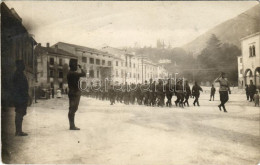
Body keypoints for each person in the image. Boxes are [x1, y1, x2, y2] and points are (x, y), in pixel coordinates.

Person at [67, 59, 86, 130]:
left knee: (72, 108)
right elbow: (84, 74)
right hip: (75, 92)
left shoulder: (70, 73)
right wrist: (80, 68)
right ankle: (72, 126)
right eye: (75, 65)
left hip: (72, 92)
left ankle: (72, 125)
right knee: (73, 108)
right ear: (72, 65)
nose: (76, 66)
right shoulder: (73, 73)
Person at [13, 60, 29, 136]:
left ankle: (19, 130)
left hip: (21, 97)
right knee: (19, 113)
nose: (24, 66)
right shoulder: (18, 74)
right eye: (22, 65)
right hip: (20, 97)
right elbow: (19, 87)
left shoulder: (20, 74)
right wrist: (24, 96)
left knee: (20, 113)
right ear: (19, 66)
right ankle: (18, 131)